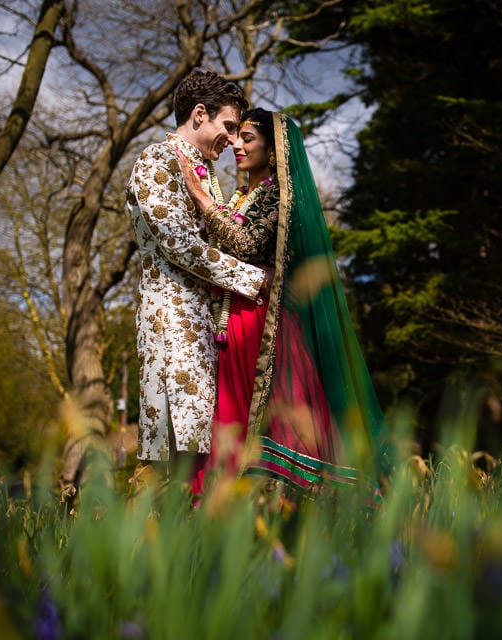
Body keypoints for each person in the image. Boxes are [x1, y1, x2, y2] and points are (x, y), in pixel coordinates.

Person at [175, 108, 392, 498]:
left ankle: (288, 516)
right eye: (236, 137)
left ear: (273, 150)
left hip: (262, 323)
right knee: (227, 424)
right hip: (232, 319)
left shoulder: (278, 194)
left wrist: (199, 196)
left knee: (267, 425)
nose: (237, 146)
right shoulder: (244, 195)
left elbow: (245, 245)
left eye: (248, 138)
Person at [125, 69, 269, 492]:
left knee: (194, 467)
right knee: (161, 464)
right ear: (199, 114)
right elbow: (179, 245)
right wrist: (252, 278)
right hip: (170, 328)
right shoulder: (157, 160)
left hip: (205, 331)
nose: (232, 139)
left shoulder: (205, 174)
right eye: (227, 127)